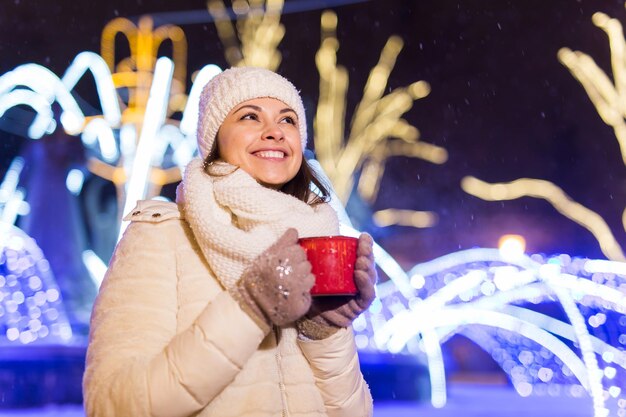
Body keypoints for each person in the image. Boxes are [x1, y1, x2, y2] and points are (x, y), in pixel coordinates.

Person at [83, 67, 377, 417]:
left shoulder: (314, 239)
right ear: (214, 138)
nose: (274, 132)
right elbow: (112, 406)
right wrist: (249, 306)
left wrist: (324, 332)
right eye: (250, 116)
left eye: (288, 120)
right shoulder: (162, 237)